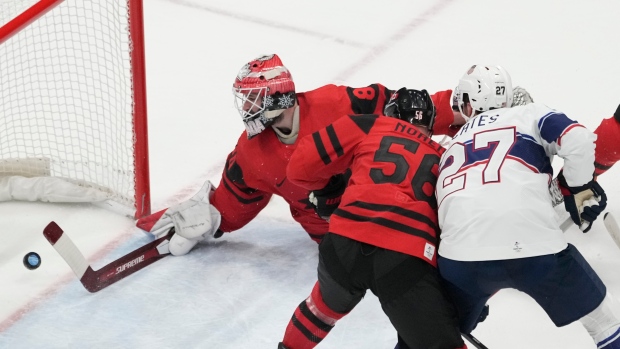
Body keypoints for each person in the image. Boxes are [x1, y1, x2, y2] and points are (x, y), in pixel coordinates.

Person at [135, 54, 465, 255]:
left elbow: (412, 109)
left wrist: (466, 109)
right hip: (340, 242)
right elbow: (237, 201)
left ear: (276, 96)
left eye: (252, 99)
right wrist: (210, 219)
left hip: (388, 213)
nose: (246, 108)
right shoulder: (252, 152)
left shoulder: (336, 104)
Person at [434, 65, 620, 348]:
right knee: (605, 325)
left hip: (460, 260)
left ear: (468, 103)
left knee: (433, 331)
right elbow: (578, 139)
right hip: (535, 250)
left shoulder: (450, 146)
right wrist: (578, 188)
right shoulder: (527, 114)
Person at [278, 88, 466, 349]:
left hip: (344, 241)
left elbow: (299, 168)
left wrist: (330, 188)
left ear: (390, 113)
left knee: (320, 311)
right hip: (404, 257)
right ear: (430, 124)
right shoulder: (447, 156)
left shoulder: (370, 124)